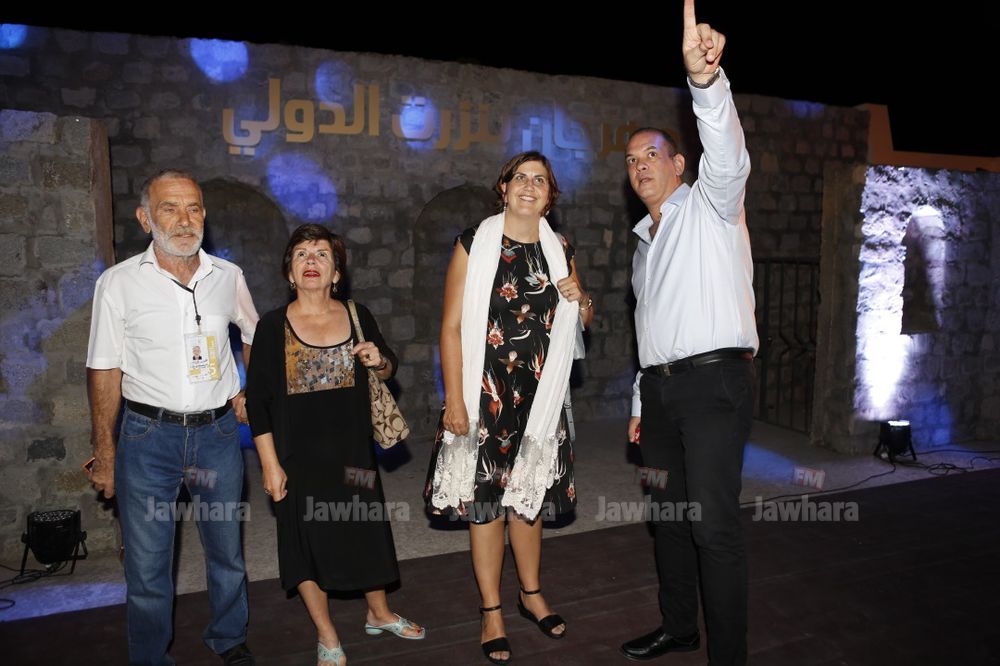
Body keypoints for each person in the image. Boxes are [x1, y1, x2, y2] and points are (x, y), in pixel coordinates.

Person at [619, 2, 757, 664]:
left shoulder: (711, 204)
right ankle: (679, 627)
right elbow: (650, 328)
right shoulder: (643, 242)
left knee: (712, 527)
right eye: (631, 159)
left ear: (679, 165)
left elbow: (727, 153)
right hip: (661, 394)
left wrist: (705, 82)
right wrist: (640, 401)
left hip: (713, 386)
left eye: (652, 154)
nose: (640, 165)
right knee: (668, 520)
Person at [424, 151, 593, 664]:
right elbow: (450, 327)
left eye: (540, 180)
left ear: (550, 197)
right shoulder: (473, 244)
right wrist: (455, 400)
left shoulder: (561, 249)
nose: (529, 185)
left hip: (541, 398)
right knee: (485, 504)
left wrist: (583, 299)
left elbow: (583, 321)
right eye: (520, 176)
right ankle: (492, 610)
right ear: (503, 188)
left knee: (528, 498)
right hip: (484, 395)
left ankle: (531, 593)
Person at [86, 169, 258, 665]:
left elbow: (254, 335)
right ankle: (150, 656)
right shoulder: (117, 283)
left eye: (194, 208)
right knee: (147, 566)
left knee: (226, 552)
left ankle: (229, 637)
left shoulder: (228, 276)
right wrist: (104, 452)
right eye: (170, 208)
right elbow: (104, 369)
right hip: (147, 438)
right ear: (145, 218)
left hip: (217, 437)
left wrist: (251, 390)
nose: (185, 220)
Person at [245, 224, 423, 666]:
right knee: (304, 544)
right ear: (290, 273)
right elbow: (259, 403)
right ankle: (326, 634)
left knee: (366, 530)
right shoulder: (272, 326)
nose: (311, 261)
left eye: (322, 254)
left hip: (352, 453)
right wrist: (270, 464)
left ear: (336, 273)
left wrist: (379, 361)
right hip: (297, 459)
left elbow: (388, 366)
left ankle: (379, 613)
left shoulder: (357, 314)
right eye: (302, 254)